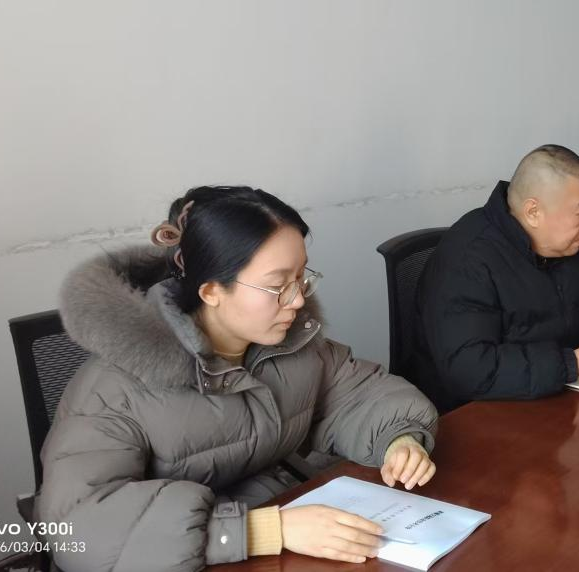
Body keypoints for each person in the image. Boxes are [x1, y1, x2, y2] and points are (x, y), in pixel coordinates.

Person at [36, 186, 439, 571]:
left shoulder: (290, 343)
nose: (298, 300)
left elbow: (357, 393)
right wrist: (263, 531)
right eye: (278, 286)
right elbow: (79, 528)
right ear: (211, 290)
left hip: (283, 514)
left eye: (301, 277)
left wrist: (398, 437)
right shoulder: (113, 390)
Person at [412, 145, 579, 411]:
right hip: (473, 412)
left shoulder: (572, 243)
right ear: (533, 212)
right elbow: (469, 369)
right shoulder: (468, 259)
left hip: (555, 396)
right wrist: (572, 364)